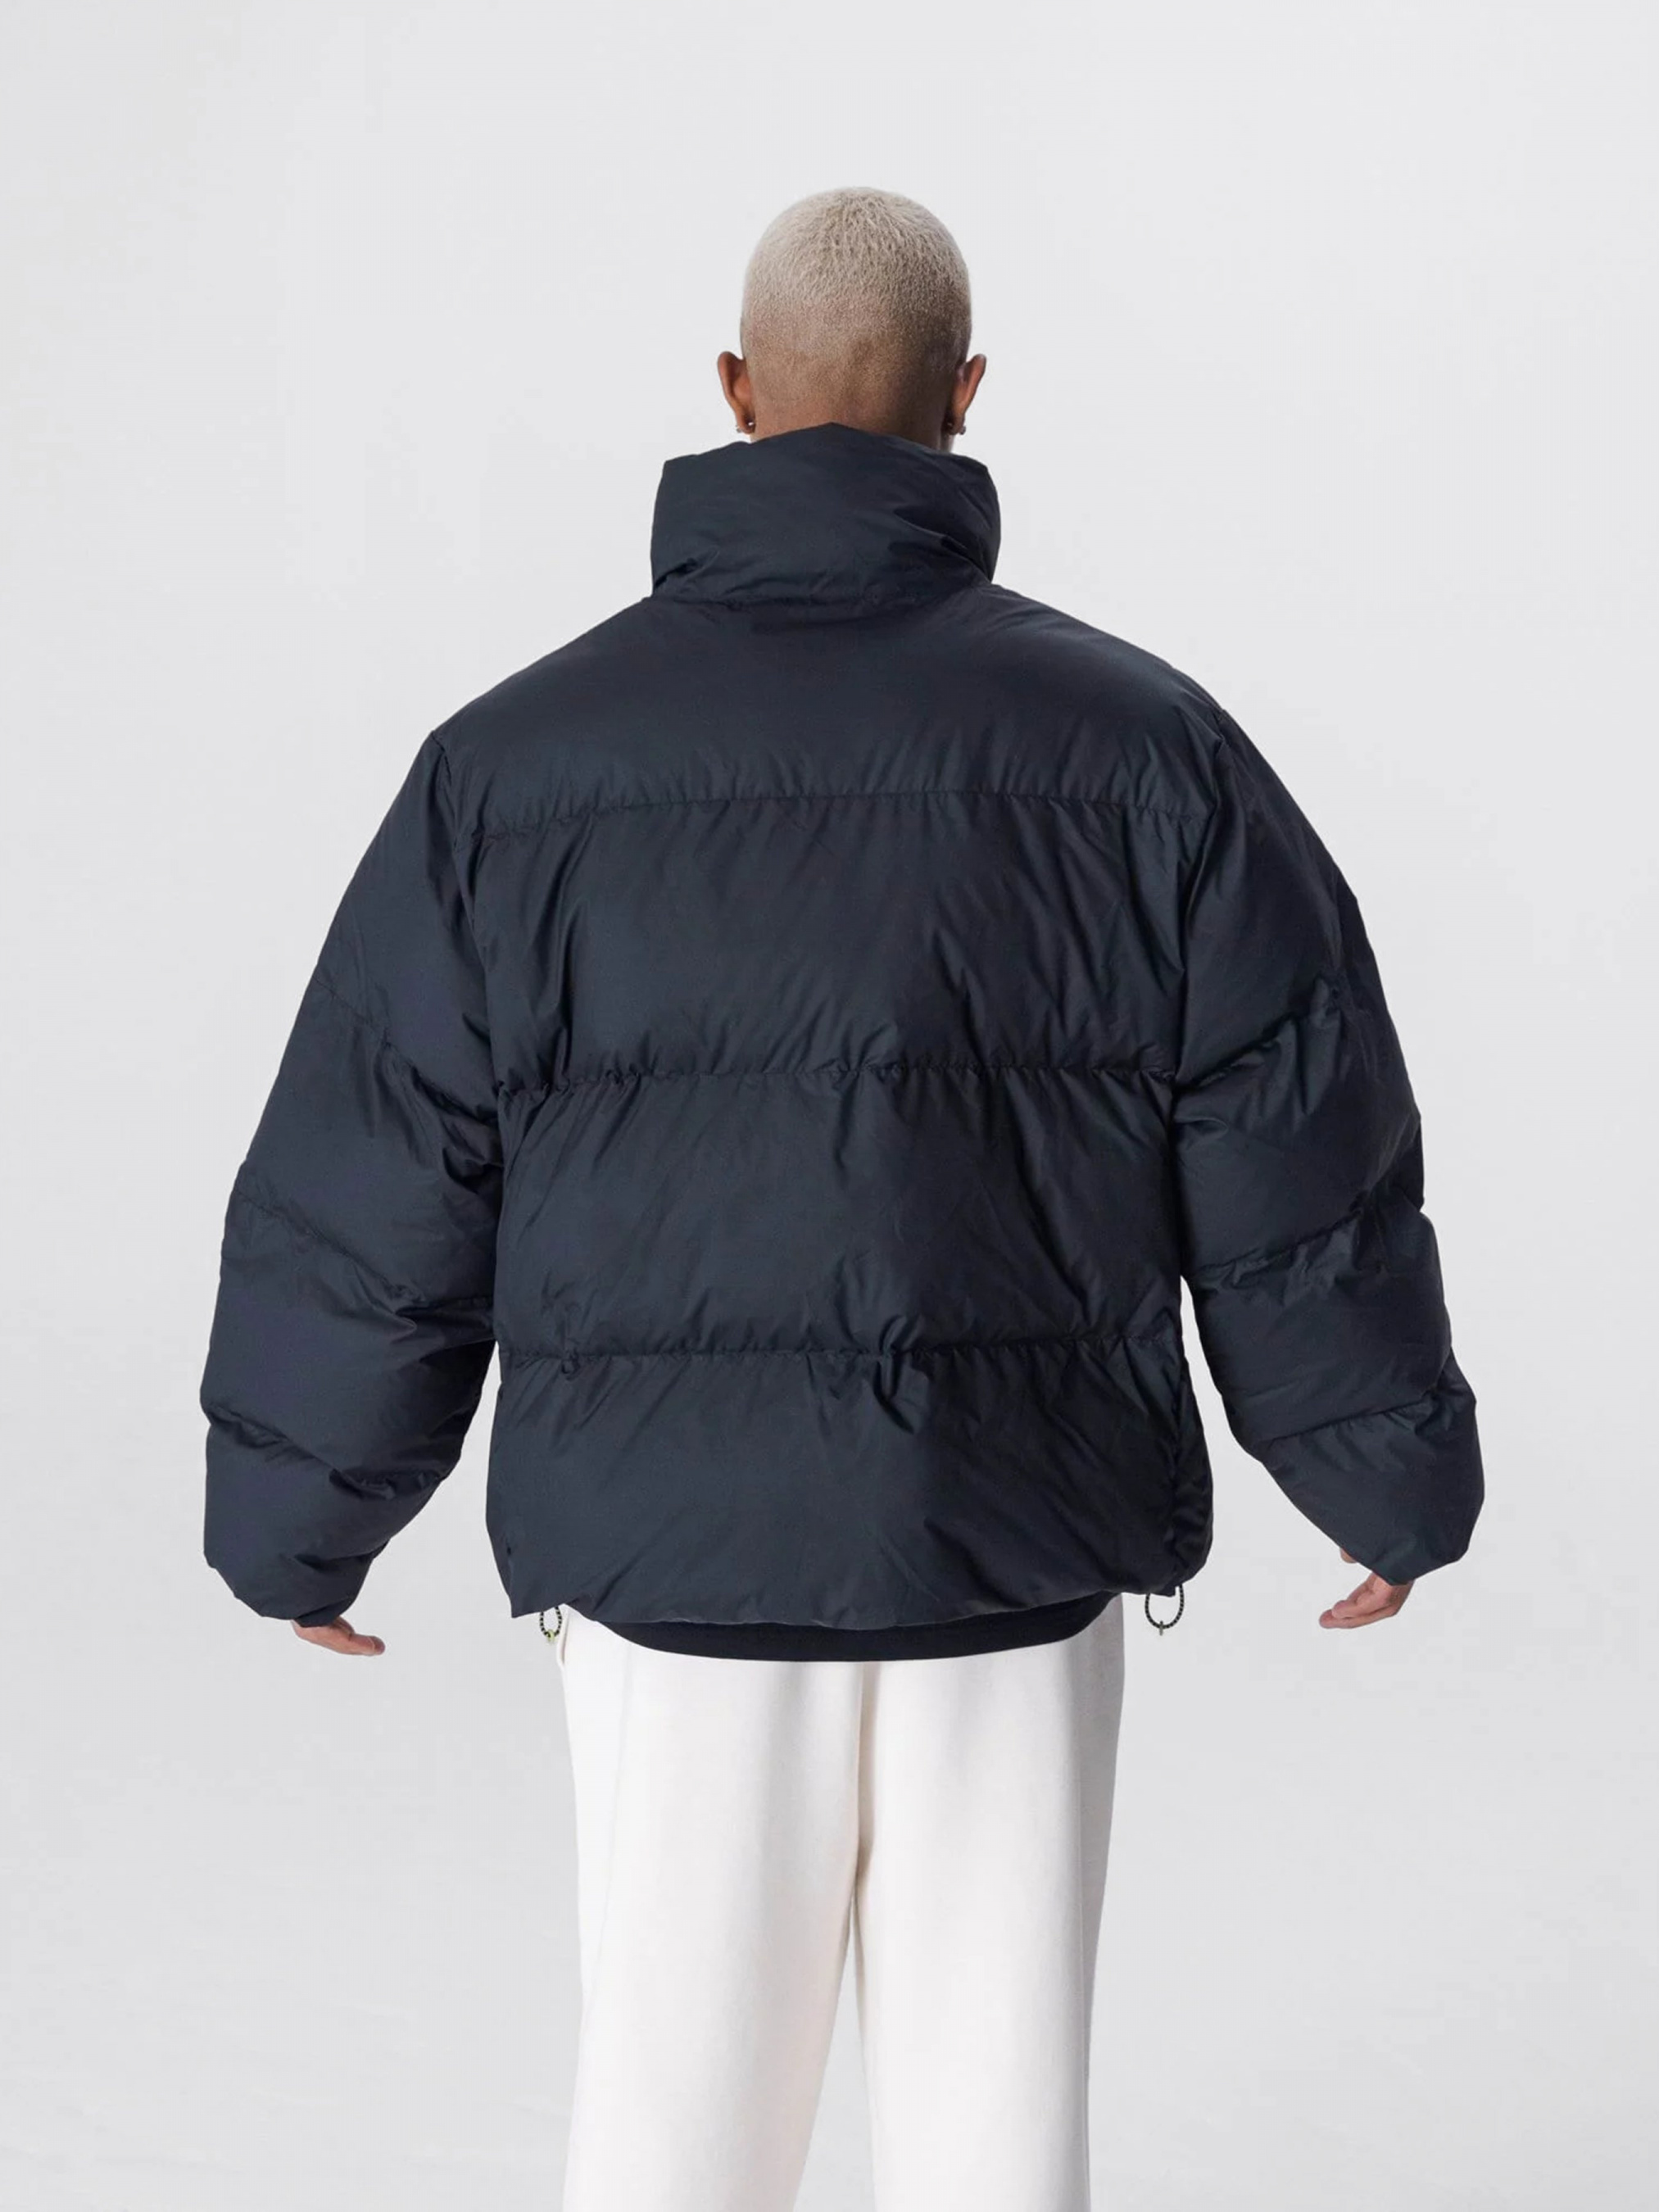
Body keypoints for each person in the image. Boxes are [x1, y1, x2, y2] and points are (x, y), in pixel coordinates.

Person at [201, 187, 1483, 2211]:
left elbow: (378, 1165)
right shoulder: (1149, 753)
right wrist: (1381, 1477)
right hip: (1014, 1542)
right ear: (965, 399)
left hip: (671, 1560)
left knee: (673, 2134)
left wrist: (301, 1523)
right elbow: (1296, 1150)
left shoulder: (508, 772)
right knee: (994, 2139)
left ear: (733, 393)